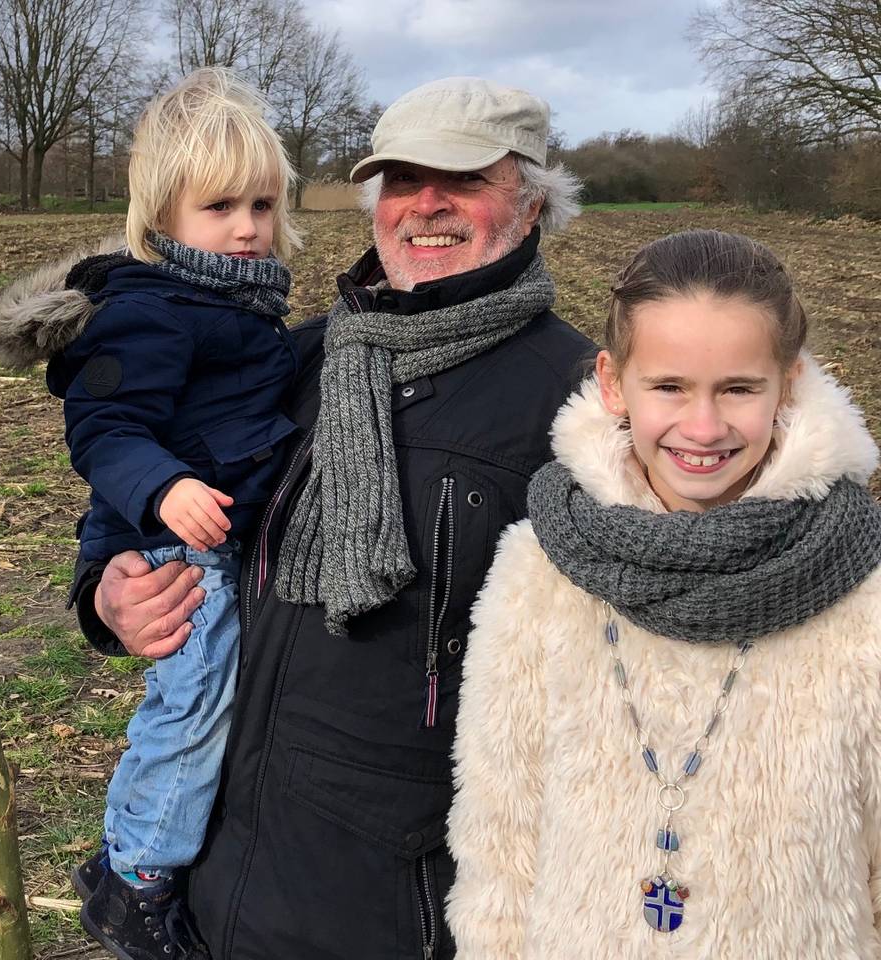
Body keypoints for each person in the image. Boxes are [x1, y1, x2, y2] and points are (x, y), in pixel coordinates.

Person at [46, 77, 595, 958]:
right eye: (404, 181)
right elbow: (134, 476)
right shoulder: (295, 356)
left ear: (531, 203)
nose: (427, 206)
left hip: (395, 906)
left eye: (465, 181)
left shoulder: (578, 403)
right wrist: (107, 599)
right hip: (226, 879)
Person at [446, 230, 881, 958]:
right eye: (670, 386)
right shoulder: (538, 571)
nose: (704, 427)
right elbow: (501, 837)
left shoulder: (863, 596)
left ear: (790, 383)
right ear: (615, 383)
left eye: (739, 388)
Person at [0, 68, 301, 960]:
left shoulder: (238, 302)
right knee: (195, 699)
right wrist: (164, 488)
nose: (247, 227)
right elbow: (104, 428)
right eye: (220, 207)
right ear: (164, 216)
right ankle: (136, 876)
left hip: (213, 531)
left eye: (263, 204)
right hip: (179, 547)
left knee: (213, 701)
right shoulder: (152, 312)